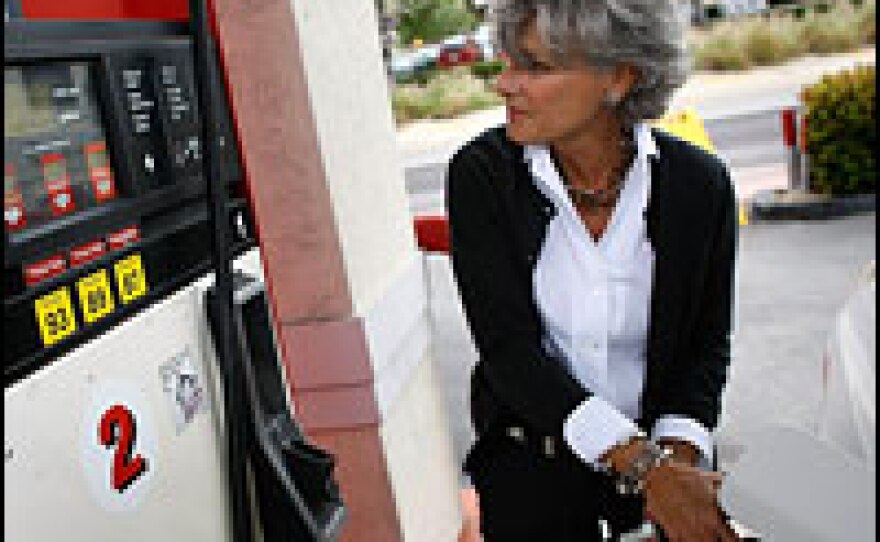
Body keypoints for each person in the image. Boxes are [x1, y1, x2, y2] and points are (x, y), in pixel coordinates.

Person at [446, 1, 739, 540]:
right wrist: (645, 467)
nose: (505, 84)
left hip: (669, 479)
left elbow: (705, 347)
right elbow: (509, 350)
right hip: (531, 483)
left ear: (619, 78)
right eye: (508, 61)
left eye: (534, 67)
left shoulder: (701, 186)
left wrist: (675, 470)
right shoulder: (482, 176)